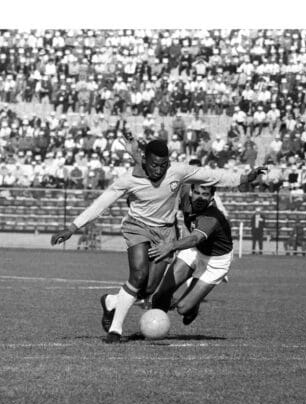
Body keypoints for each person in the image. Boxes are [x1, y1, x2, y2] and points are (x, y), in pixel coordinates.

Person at [50, 138, 265, 342]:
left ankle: (111, 301)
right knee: (139, 275)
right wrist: (72, 227)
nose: (159, 170)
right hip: (138, 228)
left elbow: (212, 176)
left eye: (163, 165)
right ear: (144, 161)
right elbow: (101, 203)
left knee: (150, 288)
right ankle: (115, 330)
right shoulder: (128, 180)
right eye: (154, 165)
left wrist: (244, 178)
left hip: (167, 233)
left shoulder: (178, 172)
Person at [147, 183, 234, 326]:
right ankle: (154, 326)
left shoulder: (212, 217)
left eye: (205, 194)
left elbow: (194, 238)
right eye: (197, 192)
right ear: (191, 192)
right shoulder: (185, 198)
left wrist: (170, 246)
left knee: (183, 308)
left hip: (215, 263)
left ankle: (193, 307)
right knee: (161, 295)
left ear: (212, 197)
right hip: (194, 250)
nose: (200, 197)